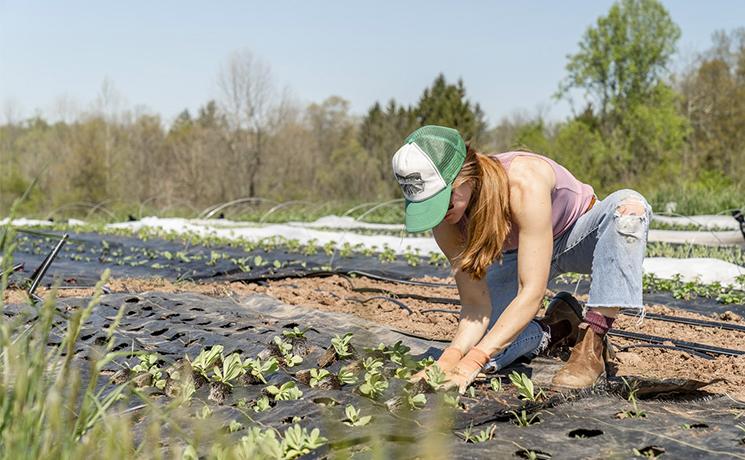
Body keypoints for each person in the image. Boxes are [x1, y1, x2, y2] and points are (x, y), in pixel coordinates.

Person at [392, 125, 652, 393]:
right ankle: (557, 327)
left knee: (629, 209)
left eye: (443, 202)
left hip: (577, 237)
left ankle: (592, 343)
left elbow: (531, 292)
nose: (440, 214)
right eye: (428, 207)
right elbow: (475, 306)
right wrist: (449, 360)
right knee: (490, 349)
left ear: (465, 176)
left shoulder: (522, 181)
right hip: (520, 253)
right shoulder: (446, 221)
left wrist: (472, 362)